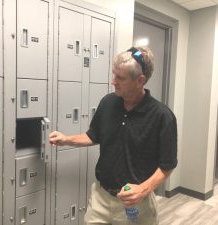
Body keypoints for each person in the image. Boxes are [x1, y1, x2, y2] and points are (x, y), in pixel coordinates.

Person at [49, 46, 177, 225]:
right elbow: (93, 136)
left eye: (120, 78)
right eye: (113, 74)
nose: (113, 81)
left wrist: (142, 189)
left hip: (136, 205)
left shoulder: (162, 116)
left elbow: (167, 165)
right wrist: (65, 139)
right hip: (100, 198)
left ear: (140, 80)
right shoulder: (108, 102)